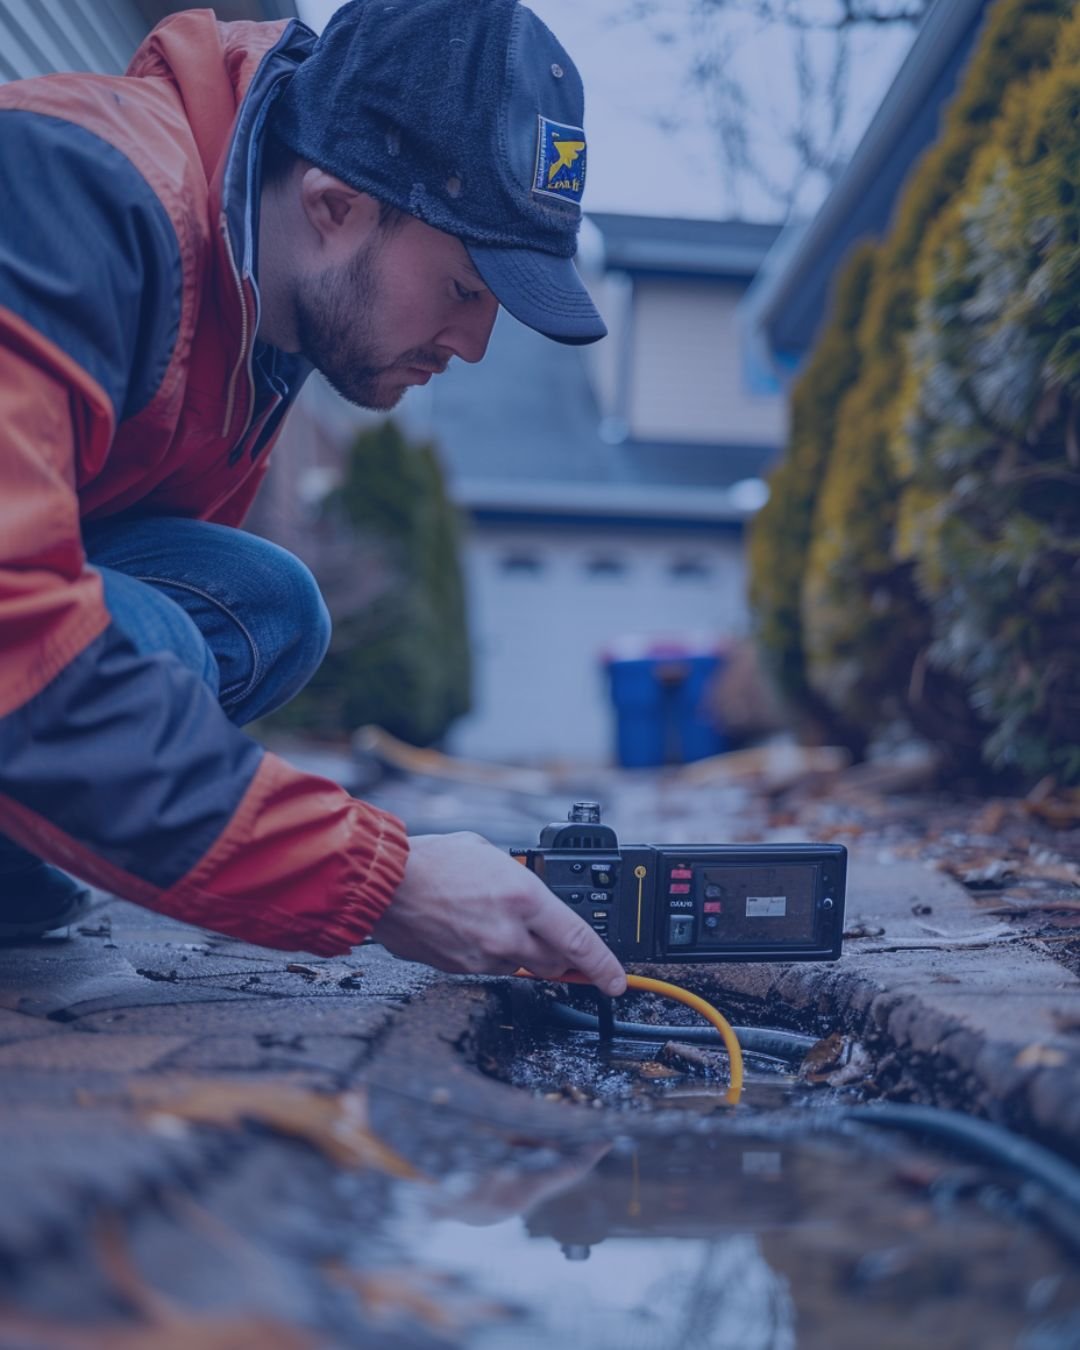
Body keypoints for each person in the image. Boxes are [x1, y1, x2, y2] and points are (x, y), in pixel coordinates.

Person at [0, 0, 627, 997]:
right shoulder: (73, 196)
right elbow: (17, 630)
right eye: (466, 289)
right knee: (143, 646)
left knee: (263, 608)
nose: (473, 348)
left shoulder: (270, 297)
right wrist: (383, 881)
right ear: (336, 204)